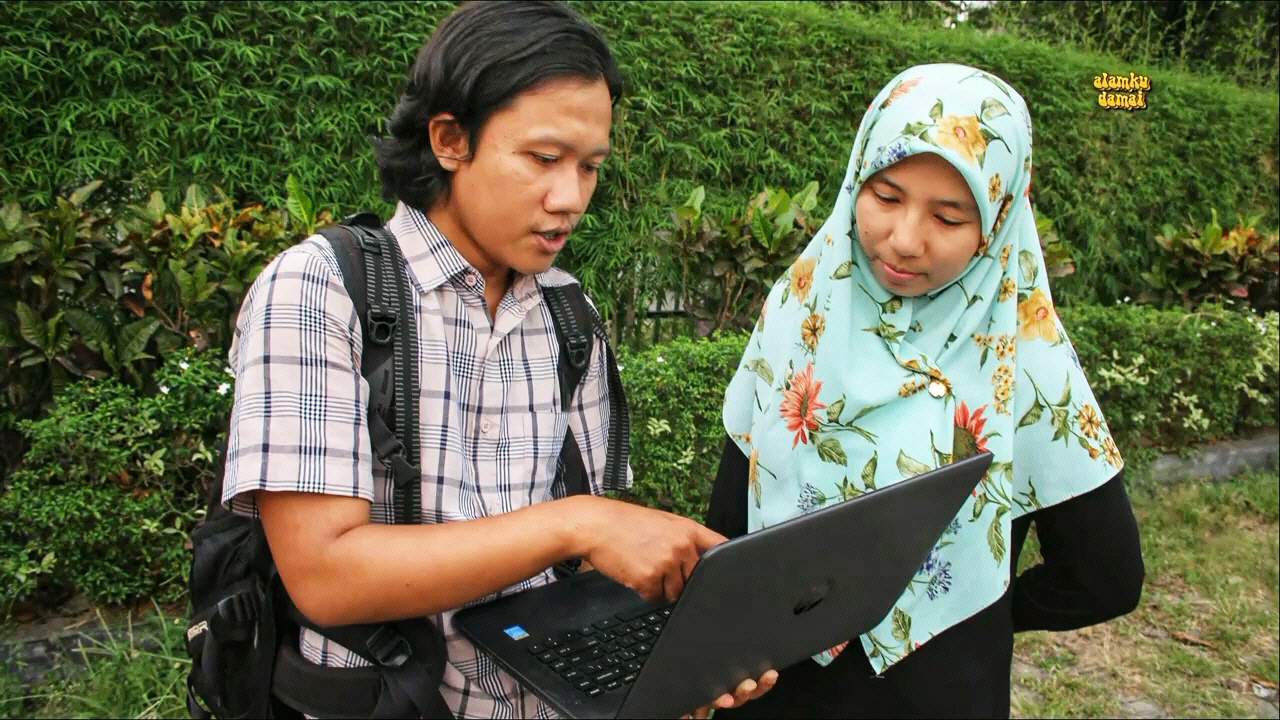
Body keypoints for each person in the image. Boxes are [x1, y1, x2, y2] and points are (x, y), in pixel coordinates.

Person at [221, 2, 774, 717]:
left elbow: (583, 565)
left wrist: (668, 658)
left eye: (590, 167)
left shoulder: (566, 311)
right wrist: (579, 522)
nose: (569, 198)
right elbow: (326, 575)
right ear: (450, 139)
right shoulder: (321, 288)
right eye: (543, 159)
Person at [706, 63, 1144, 719]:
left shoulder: (1020, 359)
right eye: (885, 197)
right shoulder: (803, 311)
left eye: (949, 215)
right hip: (780, 691)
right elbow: (729, 517)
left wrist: (970, 609)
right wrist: (978, 622)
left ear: (997, 222)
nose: (905, 240)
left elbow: (1108, 574)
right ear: (856, 178)